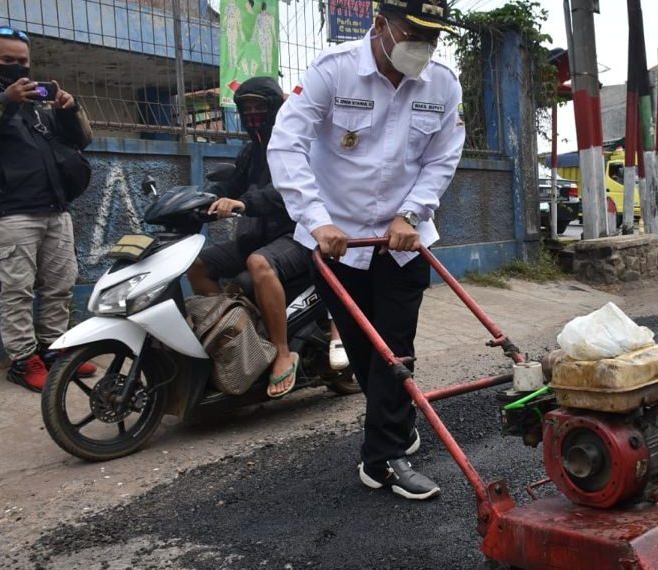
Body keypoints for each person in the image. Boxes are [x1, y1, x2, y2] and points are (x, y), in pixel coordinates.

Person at [268, 0, 464, 500]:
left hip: (402, 243)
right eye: (412, 32)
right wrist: (317, 221)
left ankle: (382, 460)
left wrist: (412, 213)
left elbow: (443, 157)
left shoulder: (441, 84)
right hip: (340, 244)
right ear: (379, 25)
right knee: (361, 351)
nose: (422, 47)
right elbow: (286, 146)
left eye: (433, 37)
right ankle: (393, 426)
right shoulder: (332, 74)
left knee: (394, 349)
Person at [187, 77, 348, 398]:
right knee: (198, 265)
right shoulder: (251, 152)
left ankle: (282, 352)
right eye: (246, 108)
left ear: (276, 108)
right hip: (256, 235)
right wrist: (200, 199)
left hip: (298, 235)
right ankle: (237, 333)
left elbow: (289, 191)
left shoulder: (296, 143)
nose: (252, 114)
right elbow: (230, 183)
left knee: (258, 264)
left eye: (259, 107)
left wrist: (245, 203)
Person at [0, 26, 96, 392]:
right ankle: (22, 360)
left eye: (24, 63)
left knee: (60, 285)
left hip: (55, 207)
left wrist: (69, 109)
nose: (19, 69)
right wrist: (5, 100)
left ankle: (54, 350)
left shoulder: (38, 107)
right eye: (8, 61)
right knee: (18, 290)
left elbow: (83, 139)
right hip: (11, 212)